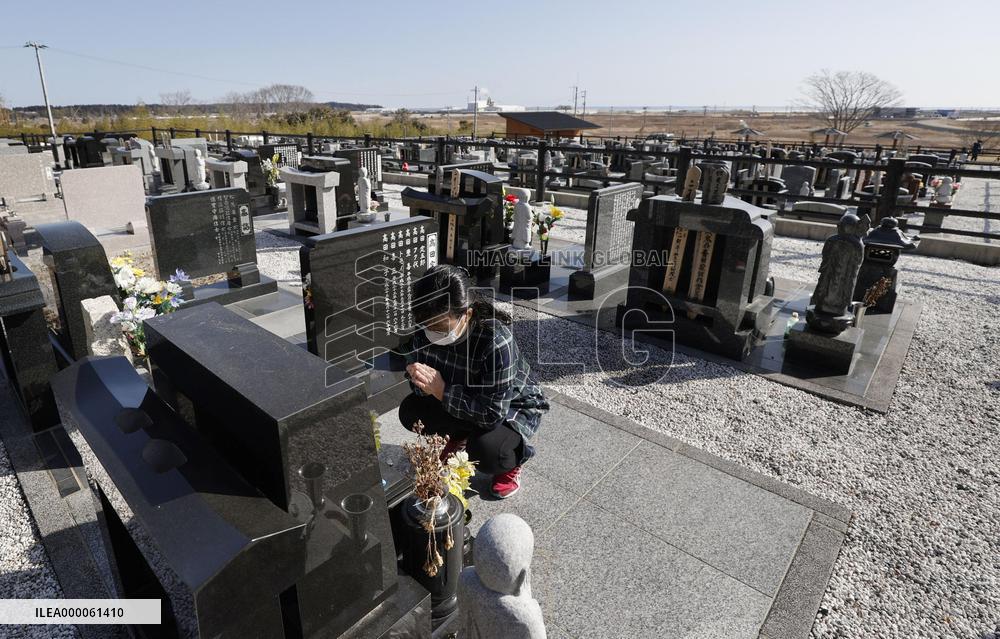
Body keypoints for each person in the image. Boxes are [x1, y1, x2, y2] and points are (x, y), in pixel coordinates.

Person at [400, 264, 548, 499]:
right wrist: (420, 381)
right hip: (459, 393)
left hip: (509, 406)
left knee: (488, 452)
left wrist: (441, 391)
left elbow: (492, 414)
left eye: (440, 328)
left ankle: (512, 463)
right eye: (427, 326)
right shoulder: (425, 328)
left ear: (466, 314)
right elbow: (424, 388)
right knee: (411, 411)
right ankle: (459, 435)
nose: (433, 334)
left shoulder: (495, 340)